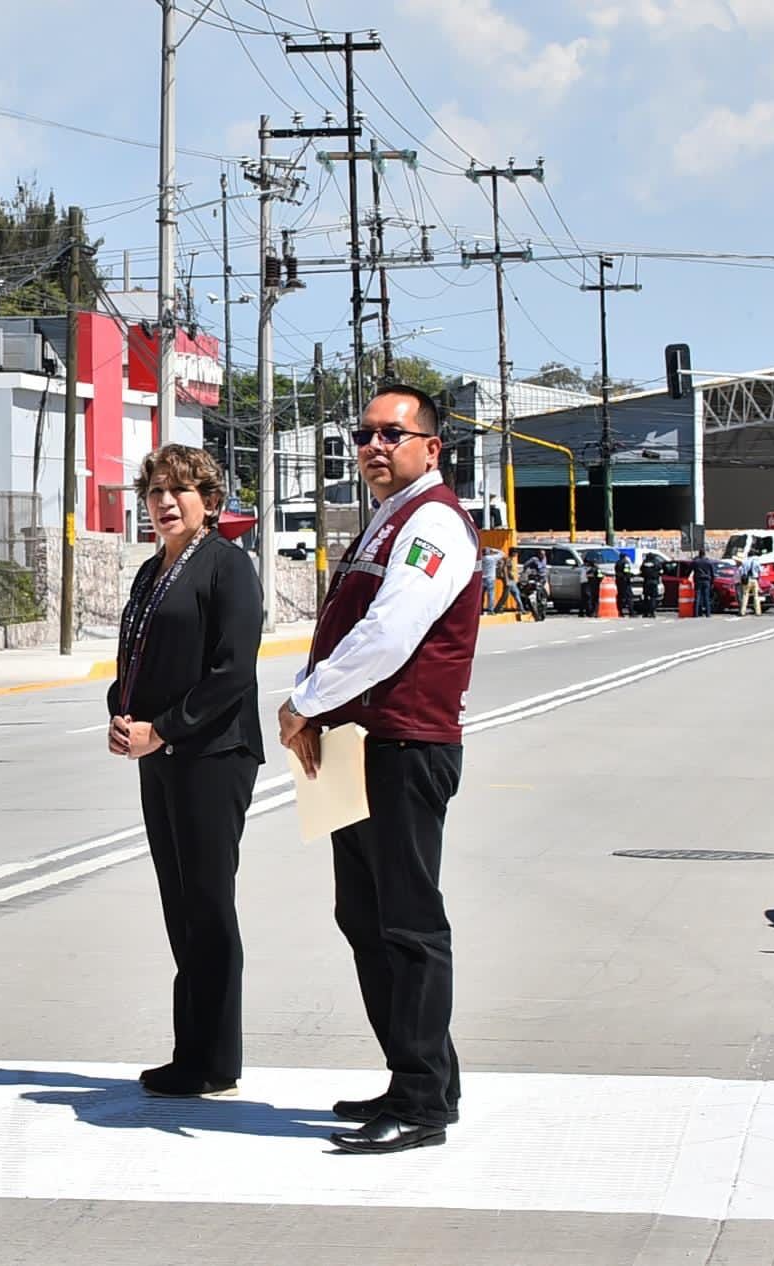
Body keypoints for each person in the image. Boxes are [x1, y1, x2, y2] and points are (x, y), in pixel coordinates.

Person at [277, 384, 479, 1156]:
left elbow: (389, 634)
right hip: (360, 748)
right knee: (366, 919)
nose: (372, 446)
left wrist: (305, 701)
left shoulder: (433, 523)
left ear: (432, 446)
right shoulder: (386, 521)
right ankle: (417, 1075)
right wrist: (320, 711)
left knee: (409, 925)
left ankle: (424, 1103)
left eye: (391, 434)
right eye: (362, 435)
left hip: (404, 746)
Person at [108, 444, 264, 1100]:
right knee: (179, 906)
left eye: (181, 491)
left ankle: (217, 1056)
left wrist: (163, 728)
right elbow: (136, 657)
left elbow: (232, 672)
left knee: (208, 904)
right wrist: (121, 713)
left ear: (208, 501)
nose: (166, 503)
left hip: (212, 754)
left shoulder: (228, 568)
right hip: (158, 755)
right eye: (155, 492)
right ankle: (189, 1052)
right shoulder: (151, 574)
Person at [692, 548, 716, 617]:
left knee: (697, 597)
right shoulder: (709, 562)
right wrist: (712, 582)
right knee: (706, 598)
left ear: (699, 554)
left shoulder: (696, 562)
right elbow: (712, 573)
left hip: (698, 580)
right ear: (704, 554)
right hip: (706, 580)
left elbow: (690, 569)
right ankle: (708, 614)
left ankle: (696, 613)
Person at [639, 552, 661, 618]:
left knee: (646, 598)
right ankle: (652, 612)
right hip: (654, 582)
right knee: (653, 597)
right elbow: (661, 570)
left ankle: (645, 613)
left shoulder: (644, 563)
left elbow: (641, 571)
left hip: (646, 582)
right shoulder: (656, 562)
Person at [479, 548, 498, 615]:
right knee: (491, 595)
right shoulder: (493, 558)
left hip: (482, 579)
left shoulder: (481, 559)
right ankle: (490, 610)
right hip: (490, 579)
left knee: (481, 596)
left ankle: (480, 610)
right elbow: (502, 554)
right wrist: (493, 549)